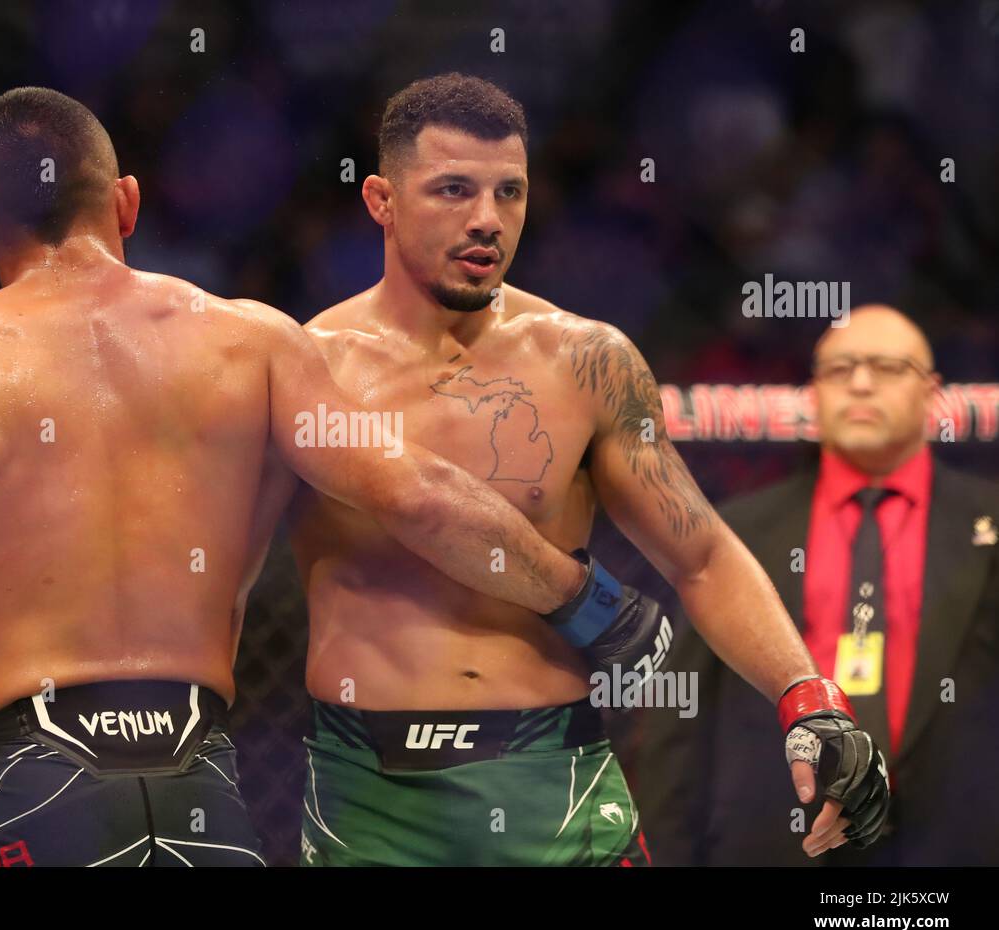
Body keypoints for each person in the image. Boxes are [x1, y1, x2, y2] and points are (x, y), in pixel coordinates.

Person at [0, 86, 607, 867]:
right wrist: (585, 599)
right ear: (126, 203)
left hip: (26, 783)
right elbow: (419, 493)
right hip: (198, 783)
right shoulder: (251, 343)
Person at [289, 72, 889, 866]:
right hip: (364, 796)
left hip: (556, 784)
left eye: (510, 192)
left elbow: (700, 554)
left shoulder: (584, 361)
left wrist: (811, 700)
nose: (486, 220)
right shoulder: (305, 369)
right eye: (453, 190)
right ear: (381, 200)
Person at [637, 304, 999, 865]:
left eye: (886, 367)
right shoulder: (736, 532)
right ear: (813, 394)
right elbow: (680, 721)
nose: (859, 383)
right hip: (773, 842)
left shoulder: (990, 523)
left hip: (958, 844)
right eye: (839, 369)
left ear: (932, 393)